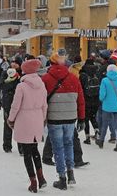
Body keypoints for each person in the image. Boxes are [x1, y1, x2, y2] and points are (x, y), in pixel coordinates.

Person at [42, 52, 86, 191]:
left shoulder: (46, 78)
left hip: (54, 118)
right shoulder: (73, 78)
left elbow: (42, 101)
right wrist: (82, 118)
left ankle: (62, 178)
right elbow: (80, 100)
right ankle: (71, 173)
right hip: (70, 117)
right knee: (69, 145)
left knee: (58, 148)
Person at [7, 59, 48, 193]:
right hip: (37, 118)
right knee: (35, 150)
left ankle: (33, 181)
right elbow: (44, 105)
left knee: (27, 152)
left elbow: (15, 105)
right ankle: (41, 177)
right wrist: (42, 119)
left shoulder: (22, 86)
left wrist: (11, 119)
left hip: (24, 120)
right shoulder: (41, 84)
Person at [96, 65, 117, 152]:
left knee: (105, 124)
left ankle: (101, 141)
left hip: (107, 107)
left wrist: (102, 99)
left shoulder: (104, 80)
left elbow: (102, 96)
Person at [0, 68, 22, 154]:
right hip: (8, 102)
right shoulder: (5, 73)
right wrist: (12, 82)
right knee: (7, 123)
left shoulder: (21, 75)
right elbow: (2, 86)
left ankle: (21, 147)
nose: (14, 64)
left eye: (16, 63)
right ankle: (7, 146)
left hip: (19, 103)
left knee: (19, 125)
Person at [79, 59, 100, 144]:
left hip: (86, 99)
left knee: (86, 119)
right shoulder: (96, 73)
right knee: (93, 117)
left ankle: (87, 137)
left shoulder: (83, 75)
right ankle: (97, 131)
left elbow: (80, 88)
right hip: (95, 99)